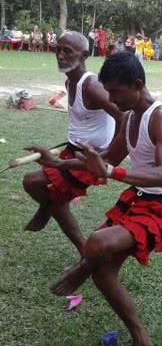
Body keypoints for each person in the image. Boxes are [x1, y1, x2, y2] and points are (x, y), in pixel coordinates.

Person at [31, 52, 162, 346]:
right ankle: (141, 337)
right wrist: (57, 163)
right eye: (109, 92)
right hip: (138, 199)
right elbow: (106, 159)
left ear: (138, 84)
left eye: (116, 92)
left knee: (97, 244)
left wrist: (112, 171)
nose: (112, 100)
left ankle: (82, 266)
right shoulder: (129, 118)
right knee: (103, 272)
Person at [22, 31, 121, 255]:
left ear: (84, 55)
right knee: (41, 189)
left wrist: (108, 154)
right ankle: (49, 210)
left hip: (90, 157)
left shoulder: (92, 86)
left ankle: (86, 254)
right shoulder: (70, 83)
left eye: (68, 51)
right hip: (73, 150)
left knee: (35, 183)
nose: (60, 55)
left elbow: (123, 118)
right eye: (58, 50)